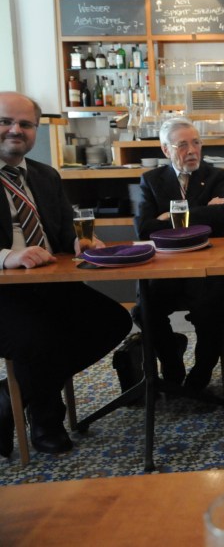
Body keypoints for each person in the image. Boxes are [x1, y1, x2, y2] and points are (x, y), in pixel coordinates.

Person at [0, 91, 131, 454]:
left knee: (114, 322)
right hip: (3, 291)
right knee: (39, 339)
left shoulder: (45, 175)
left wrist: (79, 241)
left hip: (49, 282)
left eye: (25, 124)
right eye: (5, 122)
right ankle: (46, 418)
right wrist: (6, 257)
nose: (15, 130)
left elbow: (61, 232)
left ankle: (11, 396)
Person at [136, 116, 224, 392]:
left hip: (207, 265)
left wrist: (169, 216)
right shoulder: (151, 180)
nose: (192, 151)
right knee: (144, 310)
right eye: (182, 145)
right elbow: (144, 228)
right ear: (166, 150)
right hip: (166, 267)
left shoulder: (216, 176)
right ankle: (171, 360)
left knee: (209, 310)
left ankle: (202, 372)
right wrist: (202, 212)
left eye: (196, 143)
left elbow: (223, 218)